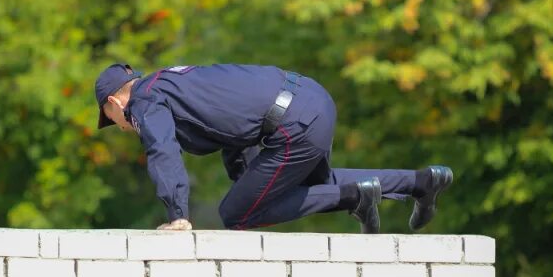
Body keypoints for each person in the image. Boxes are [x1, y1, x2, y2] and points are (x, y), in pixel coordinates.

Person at [94, 63, 452, 232]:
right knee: (317, 186)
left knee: (235, 215)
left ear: (114, 101)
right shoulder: (175, 81)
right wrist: (246, 185)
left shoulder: (143, 99)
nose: (121, 126)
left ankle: (355, 197)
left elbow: (162, 150)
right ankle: (421, 182)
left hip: (291, 125)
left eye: (112, 119)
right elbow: (232, 137)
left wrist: (177, 216)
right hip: (312, 97)